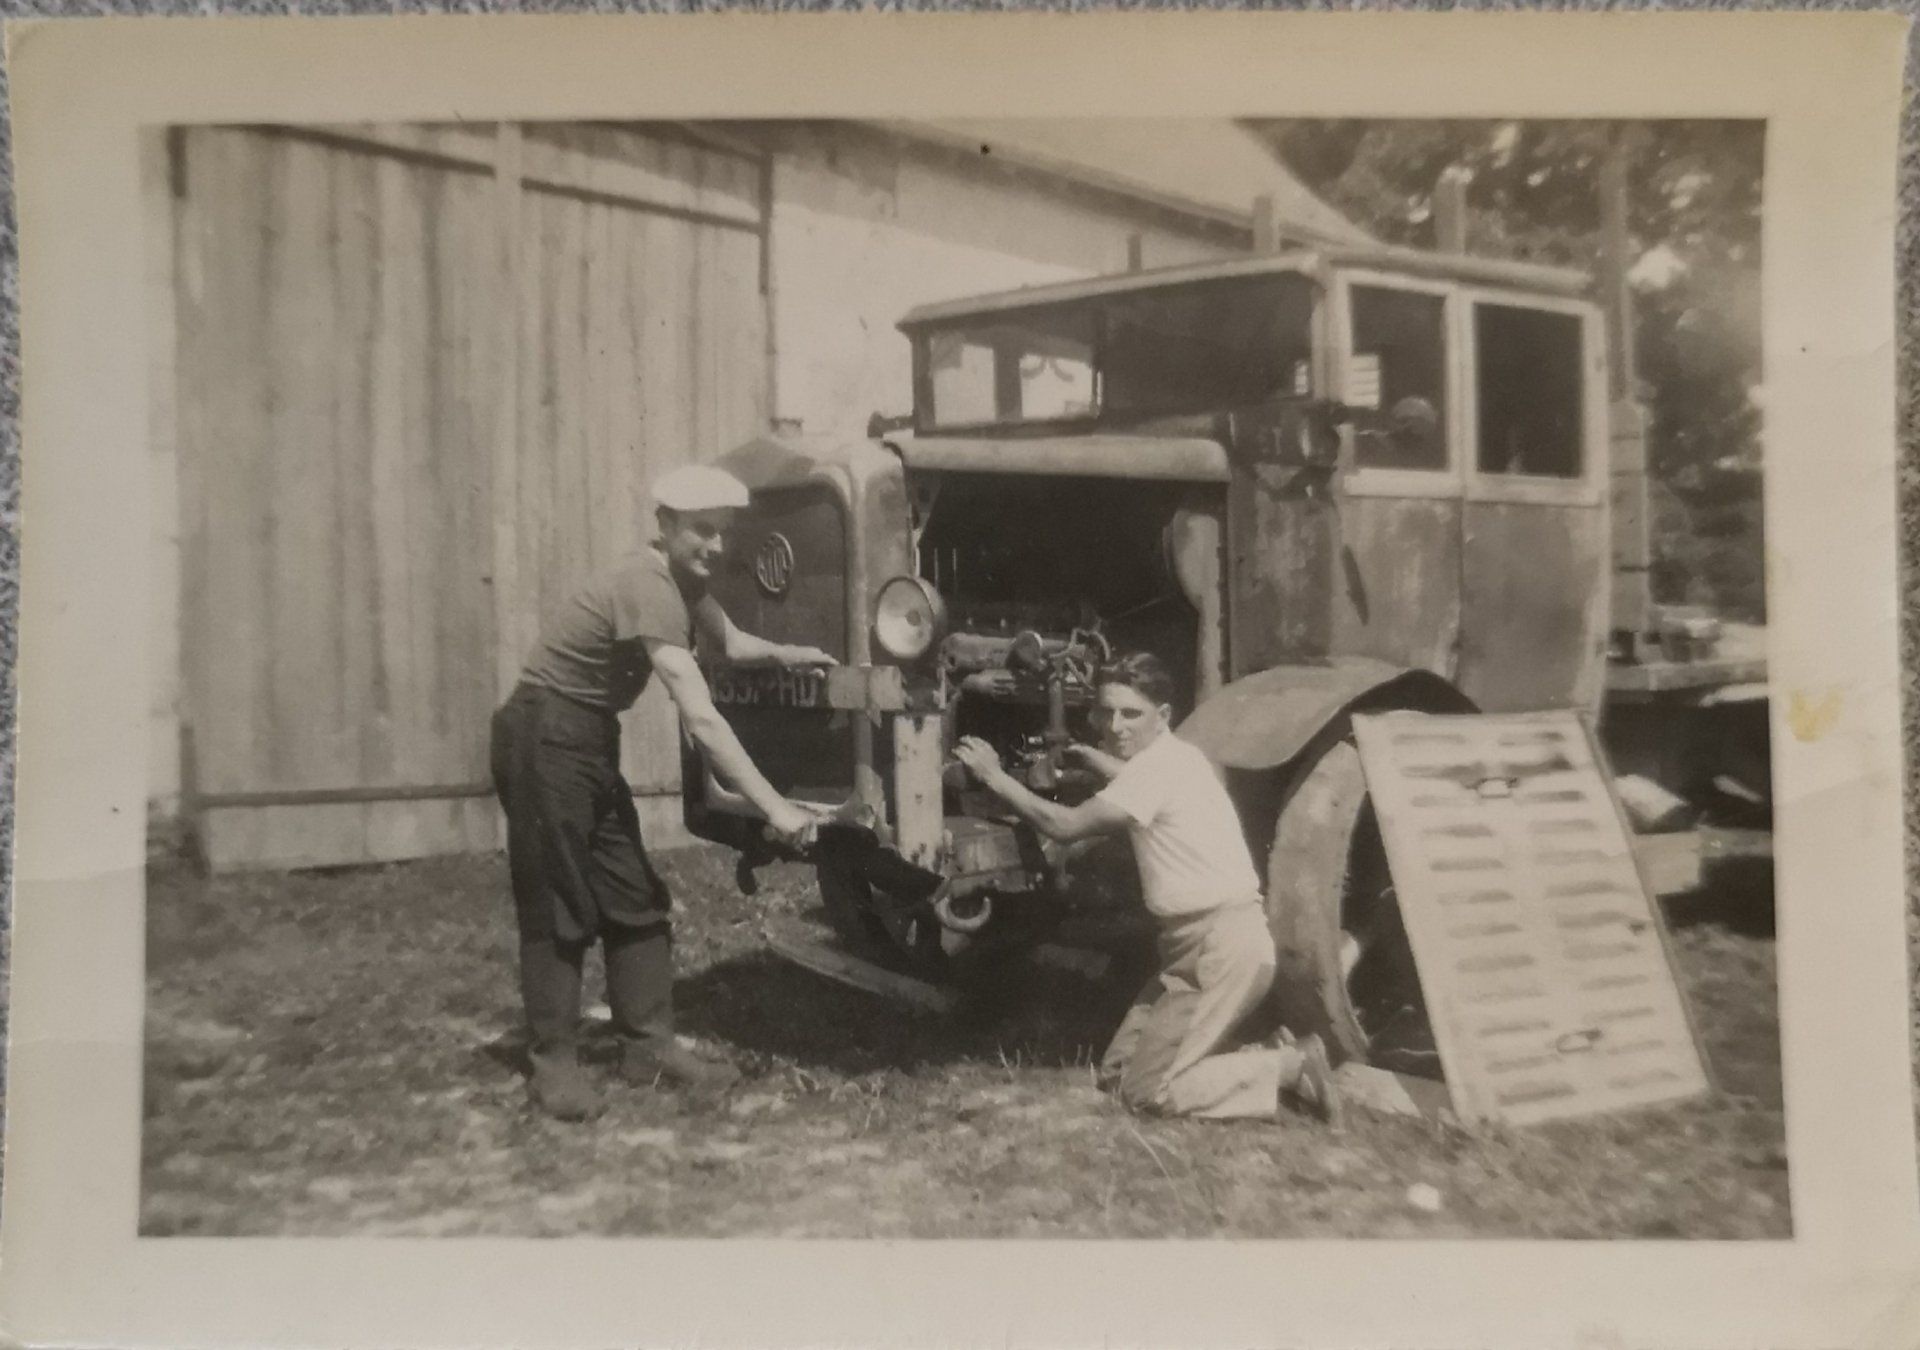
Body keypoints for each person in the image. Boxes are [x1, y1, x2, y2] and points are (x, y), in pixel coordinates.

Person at [489, 463, 834, 1122]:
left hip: (586, 738)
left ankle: (647, 1049)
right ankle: (552, 1067)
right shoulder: (646, 582)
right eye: (702, 531)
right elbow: (699, 715)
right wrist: (776, 808)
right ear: (666, 525)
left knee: (633, 896)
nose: (716, 547)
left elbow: (730, 641)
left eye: (723, 534)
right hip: (543, 735)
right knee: (560, 899)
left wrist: (790, 653)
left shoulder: (683, 581)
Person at [951, 652, 1341, 1127]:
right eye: (1107, 712)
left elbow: (1066, 824)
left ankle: (1290, 1065)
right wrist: (1088, 756)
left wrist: (994, 776)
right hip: (1191, 947)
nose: (1115, 726)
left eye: (1131, 714)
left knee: (1146, 1094)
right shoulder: (1179, 757)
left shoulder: (1157, 770)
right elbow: (1139, 782)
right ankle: (1264, 1053)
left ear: (1164, 716)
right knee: (1116, 1075)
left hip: (1220, 948)